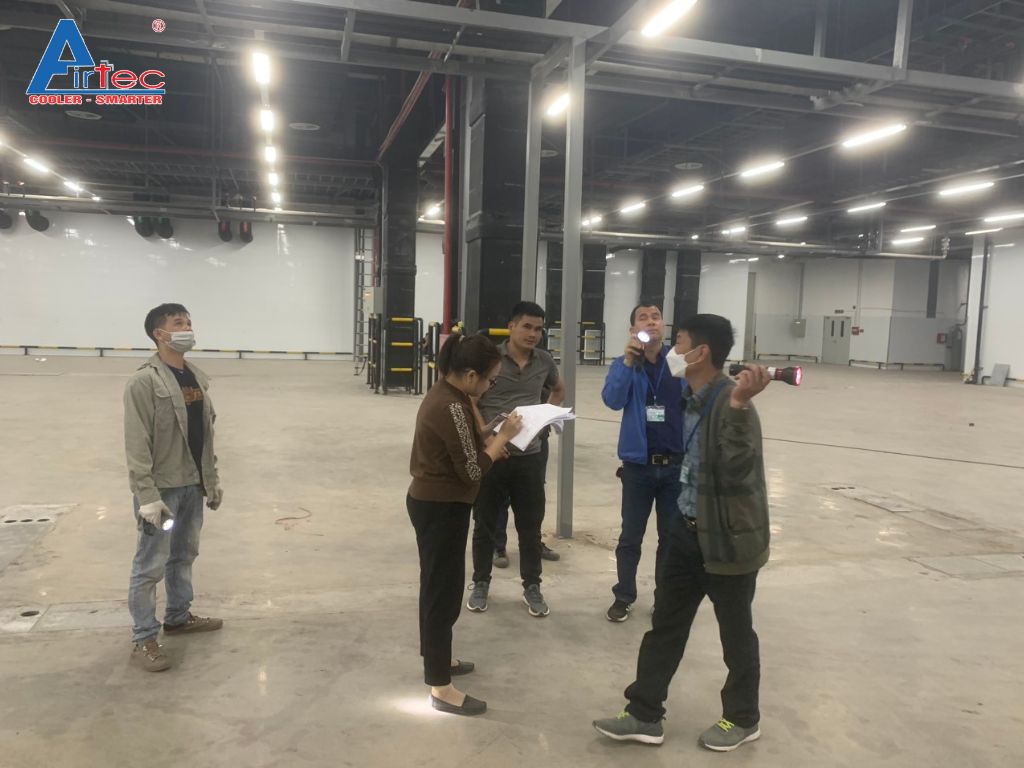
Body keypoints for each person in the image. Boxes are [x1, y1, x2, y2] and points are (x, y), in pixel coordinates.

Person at [593, 314, 772, 752]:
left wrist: (740, 405)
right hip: (686, 533)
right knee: (665, 626)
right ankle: (644, 713)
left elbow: (737, 469)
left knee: (736, 634)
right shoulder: (689, 397)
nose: (672, 349)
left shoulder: (732, 401)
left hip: (727, 541)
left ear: (700, 353)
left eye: (679, 342)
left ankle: (743, 718)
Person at [407, 332, 523, 716]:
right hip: (440, 508)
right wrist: (502, 439)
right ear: (471, 375)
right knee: (442, 593)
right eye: (490, 380)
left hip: (440, 504)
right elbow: (472, 469)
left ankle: (437, 658)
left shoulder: (450, 396)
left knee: (438, 587)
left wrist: (491, 433)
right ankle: (440, 686)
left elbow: (466, 445)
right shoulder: (452, 406)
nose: (490, 387)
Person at [124, 303, 224, 673]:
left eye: (189, 322)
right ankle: (144, 637)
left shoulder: (195, 377)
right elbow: (137, 443)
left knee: (184, 555)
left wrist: (211, 479)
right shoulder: (143, 382)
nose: (187, 328)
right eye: (178, 323)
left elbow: (205, 435)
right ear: (159, 334)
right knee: (149, 565)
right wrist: (147, 496)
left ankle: (178, 617)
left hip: (192, 485)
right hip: (162, 490)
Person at [466, 302, 564, 617]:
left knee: (530, 527)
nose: (533, 334)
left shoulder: (544, 361)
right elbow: (471, 399)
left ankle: (532, 586)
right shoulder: (491, 360)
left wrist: (545, 420)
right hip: (494, 457)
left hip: (530, 458)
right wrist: (486, 439)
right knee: (484, 524)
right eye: (527, 327)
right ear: (511, 326)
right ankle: (481, 582)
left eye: (539, 329)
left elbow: (558, 390)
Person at [601, 301, 685, 622]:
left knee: (671, 539)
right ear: (633, 329)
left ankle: (664, 599)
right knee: (630, 537)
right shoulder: (625, 364)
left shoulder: (678, 361)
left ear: (663, 324)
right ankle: (623, 595)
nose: (651, 322)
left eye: (656, 317)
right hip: (638, 467)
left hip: (675, 467)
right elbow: (612, 400)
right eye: (643, 318)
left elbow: (697, 402)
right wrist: (627, 362)